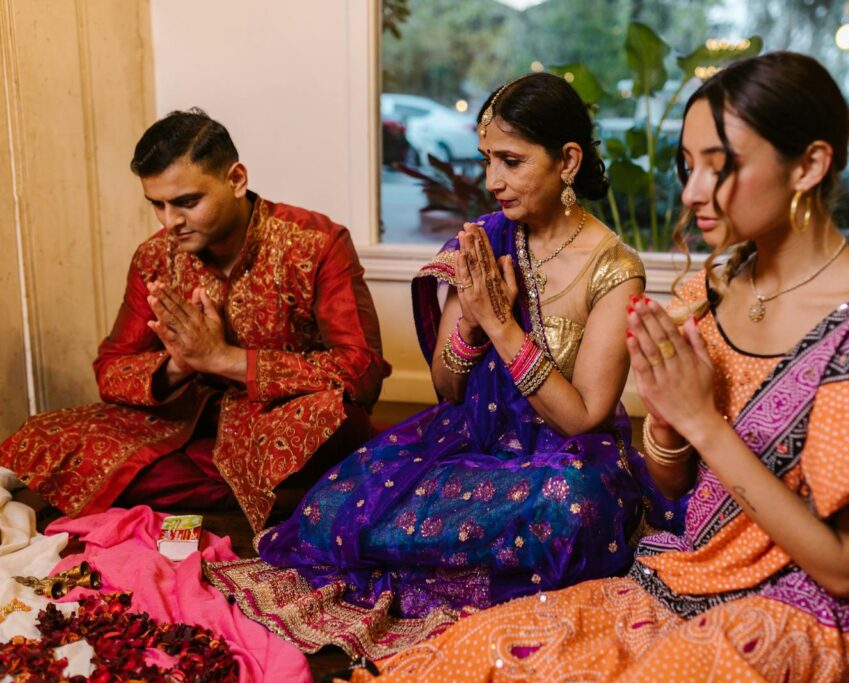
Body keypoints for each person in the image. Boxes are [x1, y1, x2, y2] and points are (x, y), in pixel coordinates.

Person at [339, 52, 849, 682]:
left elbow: (846, 569)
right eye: (685, 164)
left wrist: (700, 418)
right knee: (479, 654)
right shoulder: (712, 291)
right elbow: (674, 496)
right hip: (687, 574)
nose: (693, 191)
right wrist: (668, 430)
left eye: (718, 165)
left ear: (809, 166)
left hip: (808, 610)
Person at [205, 72, 675, 658]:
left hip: (564, 463)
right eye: (486, 160)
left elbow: (581, 417)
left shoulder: (614, 269)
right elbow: (447, 388)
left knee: (571, 509)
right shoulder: (483, 242)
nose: (492, 181)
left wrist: (501, 325)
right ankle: (476, 558)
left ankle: (461, 560)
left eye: (510, 161)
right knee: (329, 514)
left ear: (568, 160)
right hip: (470, 444)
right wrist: (472, 325)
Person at [0, 109, 390, 531]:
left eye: (187, 202)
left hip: (277, 421)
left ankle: (251, 486)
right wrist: (179, 365)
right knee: (47, 432)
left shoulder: (317, 243)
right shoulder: (154, 258)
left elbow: (361, 370)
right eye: (158, 205)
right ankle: (276, 492)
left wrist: (223, 359)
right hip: (191, 428)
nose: (171, 222)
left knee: (334, 419)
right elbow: (110, 369)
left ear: (236, 179)